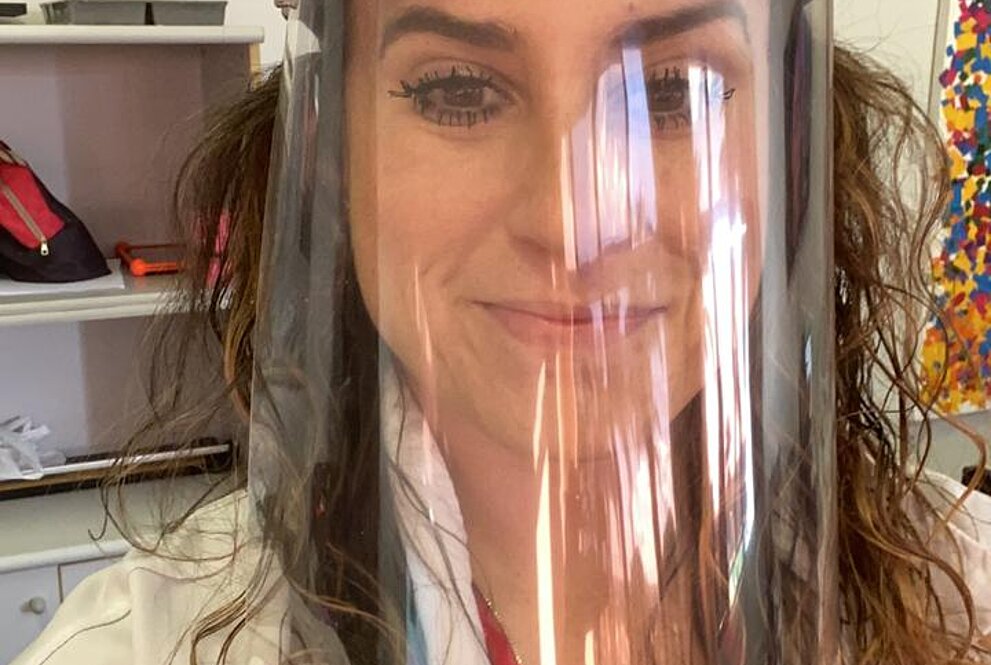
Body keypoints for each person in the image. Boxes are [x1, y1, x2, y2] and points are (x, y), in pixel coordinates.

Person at [12, 1, 991, 664]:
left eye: (671, 92)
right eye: (455, 90)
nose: (574, 226)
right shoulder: (147, 646)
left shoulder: (965, 598)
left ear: (790, 142)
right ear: (330, 153)